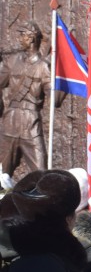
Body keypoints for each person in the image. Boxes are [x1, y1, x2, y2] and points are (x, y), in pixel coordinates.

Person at [0, 22, 64, 173]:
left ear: (31, 38)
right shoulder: (12, 61)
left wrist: (64, 80)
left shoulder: (44, 67)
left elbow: (55, 100)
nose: (20, 39)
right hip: (11, 121)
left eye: (22, 35)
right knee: (1, 172)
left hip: (31, 124)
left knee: (41, 174)